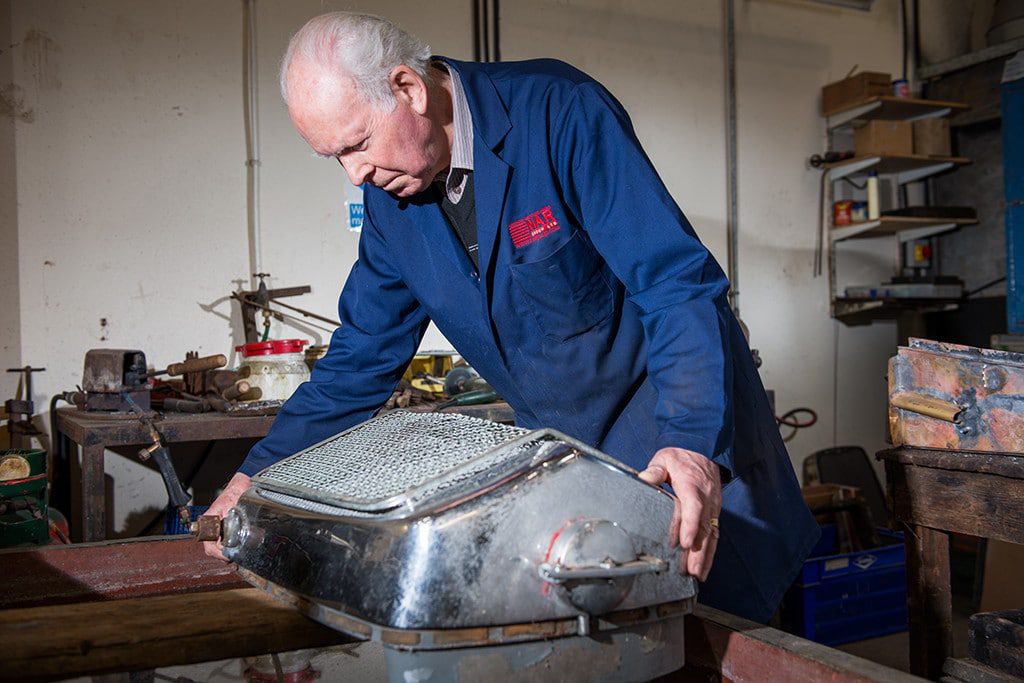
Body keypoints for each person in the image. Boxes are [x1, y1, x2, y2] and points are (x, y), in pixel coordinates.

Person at [205, 11, 819, 623]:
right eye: (334, 157)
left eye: (358, 144)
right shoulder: (390, 203)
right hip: (572, 473)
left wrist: (691, 441)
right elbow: (359, 357)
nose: (354, 174)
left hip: (677, 444)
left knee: (738, 638)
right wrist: (254, 475)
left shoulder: (560, 113)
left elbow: (675, 283)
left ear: (408, 89)